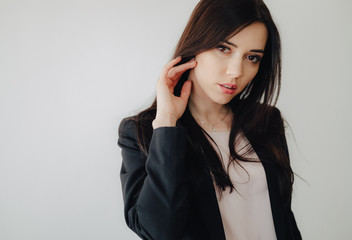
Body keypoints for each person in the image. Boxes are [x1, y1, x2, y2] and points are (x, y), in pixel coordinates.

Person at [117, 0, 302, 239]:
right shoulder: (144, 131)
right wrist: (167, 122)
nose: (236, 71)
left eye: (252, 57)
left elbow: (285, 218)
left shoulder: (266, 121)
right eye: (224, 48)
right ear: (196, 45)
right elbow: (160, 231)